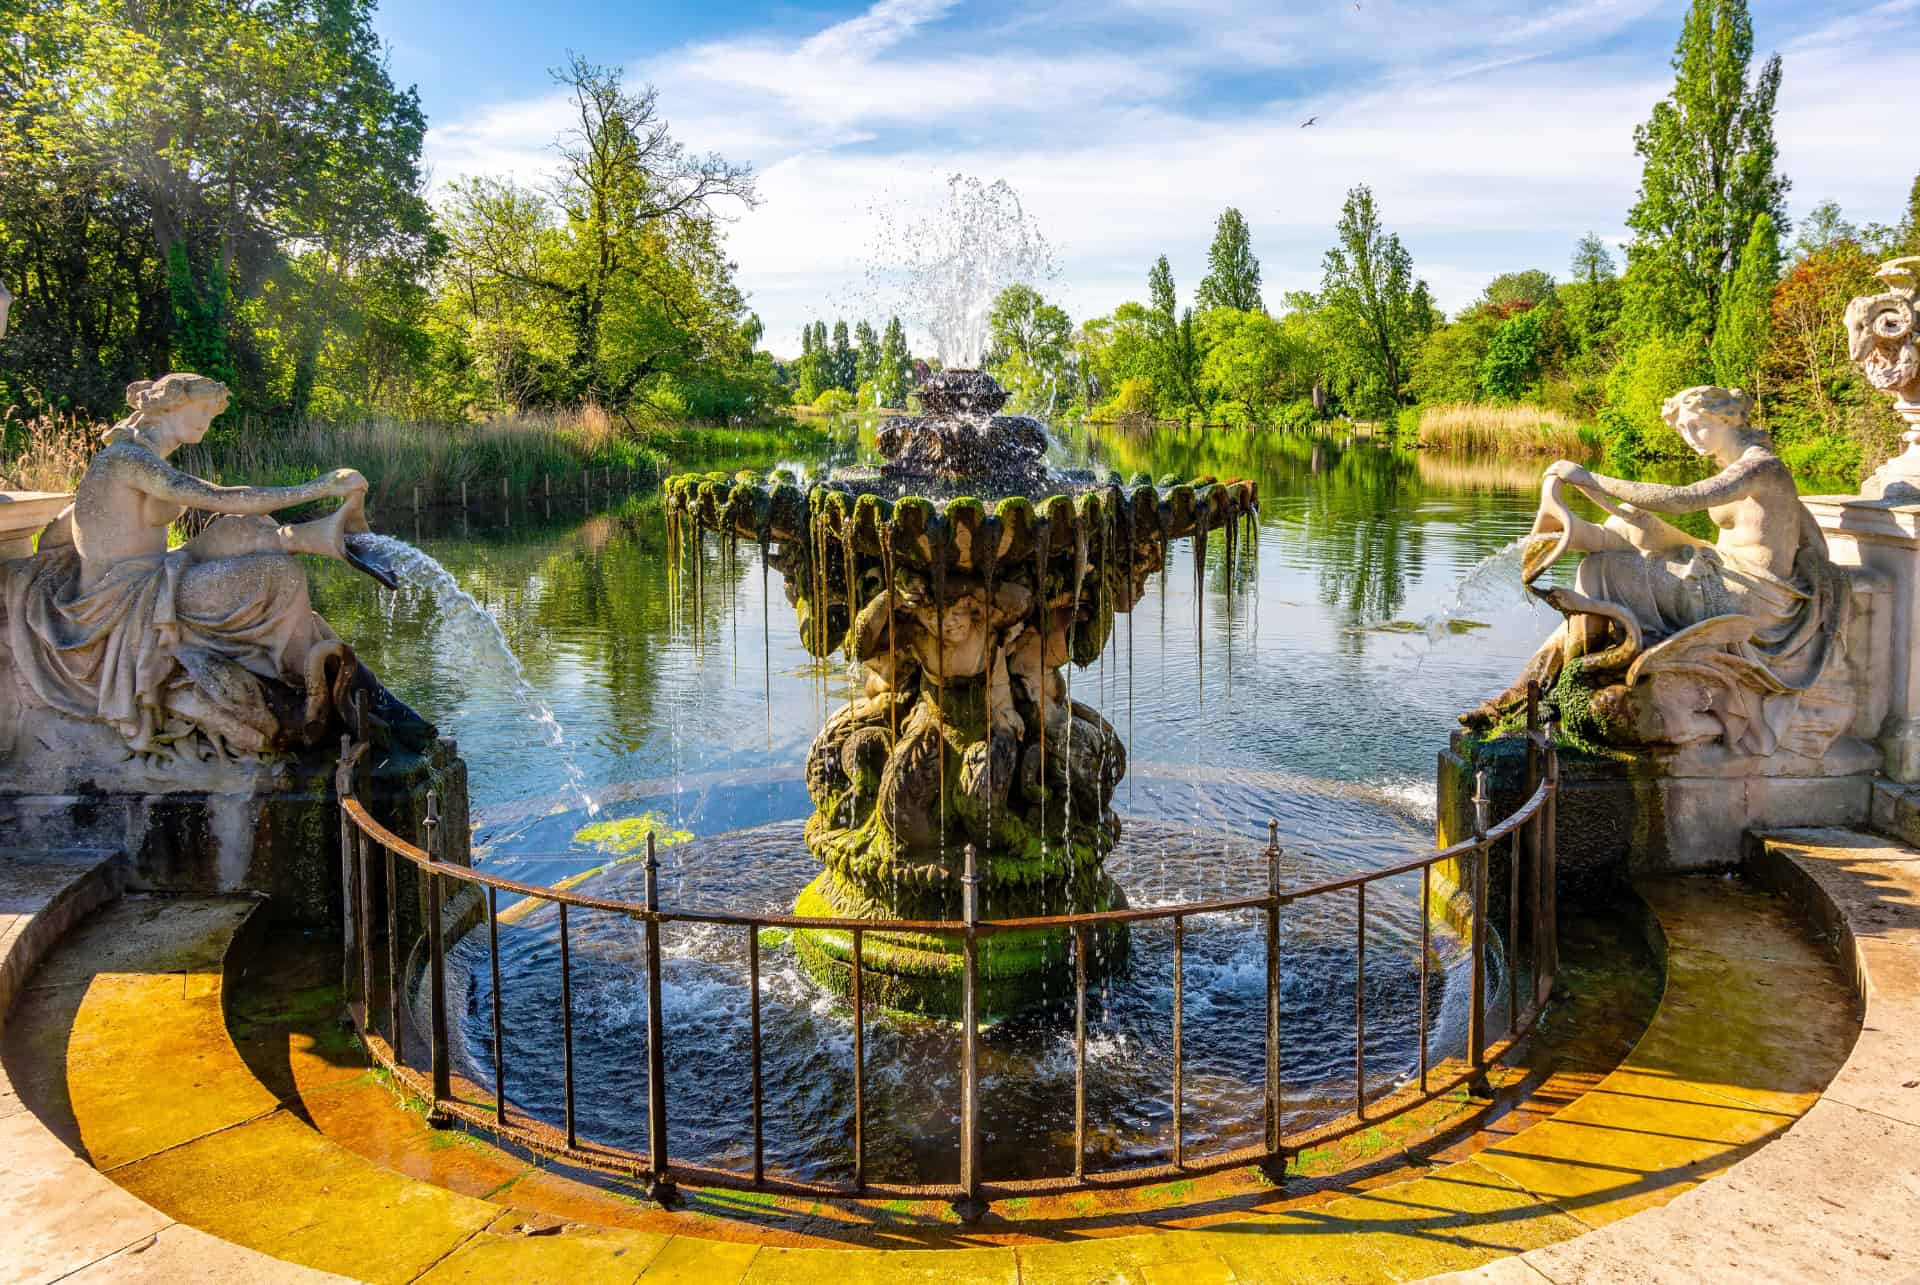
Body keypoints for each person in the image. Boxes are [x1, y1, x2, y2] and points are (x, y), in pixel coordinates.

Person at [6, 373, 430, 759]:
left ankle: (361, 692)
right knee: (276, 577)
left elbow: (61, 533)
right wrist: (319, 486)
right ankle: (314, 692)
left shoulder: (136, 458)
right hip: (130, 597)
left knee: (244, 529)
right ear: (171, 406)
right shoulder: (126, 461)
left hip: (152, 575)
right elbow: (222, 495)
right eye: (203, 411)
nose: (208, 421)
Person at [1462, 385, 1845, 755]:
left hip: (1748, 595)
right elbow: (1809, 542)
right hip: (1728, 574)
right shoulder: (1744, 467)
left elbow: (1682, 500)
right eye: (1683, 430)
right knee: (1627, 527)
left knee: (1600, 574)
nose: (1691, 437)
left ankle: (1537, 692)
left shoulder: (1762, 467)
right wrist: (1594, 496)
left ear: (1728, 419)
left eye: (1698, 425)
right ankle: (1524, 693)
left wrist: (1589, 478)